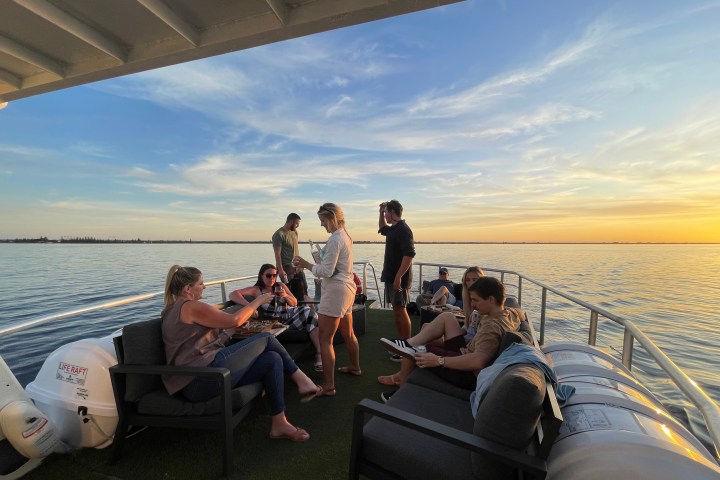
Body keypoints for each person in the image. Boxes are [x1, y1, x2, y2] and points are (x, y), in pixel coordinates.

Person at [161, 265, 322, 442]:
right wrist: (257, 301)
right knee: (266, 338)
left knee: (272, 359)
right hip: (201, 378)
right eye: (201, 283)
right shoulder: (190, 306)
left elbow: (199, 344)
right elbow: (234, 319)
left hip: (203, 376)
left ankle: (279, 423)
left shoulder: (171, 309)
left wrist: (229, 333)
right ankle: (302, 380)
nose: (205, 287)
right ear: (188, 289)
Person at [377, 276, 524, 390]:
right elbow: (522, 314)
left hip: (467, 373)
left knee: (417, 350)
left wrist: (438, 360)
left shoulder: (492, 326)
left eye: (476, 300)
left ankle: (402, 384)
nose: (473, 304)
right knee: (448, 317)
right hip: (465, 351)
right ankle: (408, 344)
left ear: (491, 299)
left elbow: (478, 361)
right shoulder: (509, 313)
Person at [293, 203, 361, 397]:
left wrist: (306, 264)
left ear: (332, 217)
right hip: (348, 290)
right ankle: (355, 367)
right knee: (348, 333)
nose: (322, 225)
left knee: (325, 339)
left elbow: (326, 271)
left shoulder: (335, 239)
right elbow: (333, 266)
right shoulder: (345, 236)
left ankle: (329, 386)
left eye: (323, 221)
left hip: (335, 292)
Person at [228, 264, 322, 371]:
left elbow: (294, 303)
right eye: (268, 275)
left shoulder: (280, 285)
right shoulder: (257, 290)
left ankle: (319, 352)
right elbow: (233, 294)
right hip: (276, 322)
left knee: (309, 313)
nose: (272, 278)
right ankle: (320, 353)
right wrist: (249, 306)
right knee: (310, 316)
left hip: (290, 315)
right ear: (261, 276)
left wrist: (285, 296)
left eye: (274, 275)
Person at [378, 200, 415, 345]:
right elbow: (382, 228)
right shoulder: (393, 228)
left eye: (386, 212)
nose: (385, 215)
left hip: (399, 278)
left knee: (401, 310)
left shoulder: (403, 229)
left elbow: (409, 254)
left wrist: (398, 277)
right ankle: (402, 341)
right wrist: (380, 212)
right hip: (391, 276)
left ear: (393, 212)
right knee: (397, 310)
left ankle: (407, 344)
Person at [272, 213, 308, 301]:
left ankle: (304, 311)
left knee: (304, 291)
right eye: (296, 224)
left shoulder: (295, 232)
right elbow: (277, 254)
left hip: (298, 268)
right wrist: (280, 270)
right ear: (291, 221)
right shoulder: (279, 234)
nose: (297, 226)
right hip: (287, 269)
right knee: (290, 294)